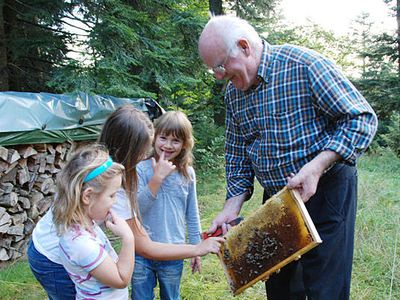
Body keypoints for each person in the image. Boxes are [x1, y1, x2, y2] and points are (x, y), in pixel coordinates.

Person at [198, 16, 378, 300]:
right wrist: (231, 207)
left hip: (326, 190)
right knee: (281, 289)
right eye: (213, 70)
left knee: (324, 288)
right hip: (277, 200)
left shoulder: (304, 66)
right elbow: (237, 154)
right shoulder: (233, 94)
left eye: (220, 66)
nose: (219, 76)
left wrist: (317, 166)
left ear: (244, 47)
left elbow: (361, 119)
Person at [28, 105, 224, 299]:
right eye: (142, 150)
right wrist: (197, 248)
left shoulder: (97, 164)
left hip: (65, 250)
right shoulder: (110, 186)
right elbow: (144, 246)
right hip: (52, 260)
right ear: (127, 150)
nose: (146, 155)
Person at [131, 111, 201, 300]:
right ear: (154, 137)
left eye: (176, 140)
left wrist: (196, 248)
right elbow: (136, 209)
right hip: (141, 252)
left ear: (185, 144)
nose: (168, 145)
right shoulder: (141, 168)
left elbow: (192, 213)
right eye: (163, 138)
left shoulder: (188, 173)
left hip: (173, 252)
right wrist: (157, 179)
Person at [53, 144, 133, 299]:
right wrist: (128, 238)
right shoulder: (82, 245)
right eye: (111, 195)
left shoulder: (84, 224)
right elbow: (122, 280)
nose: (114, 202)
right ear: (87, 196)